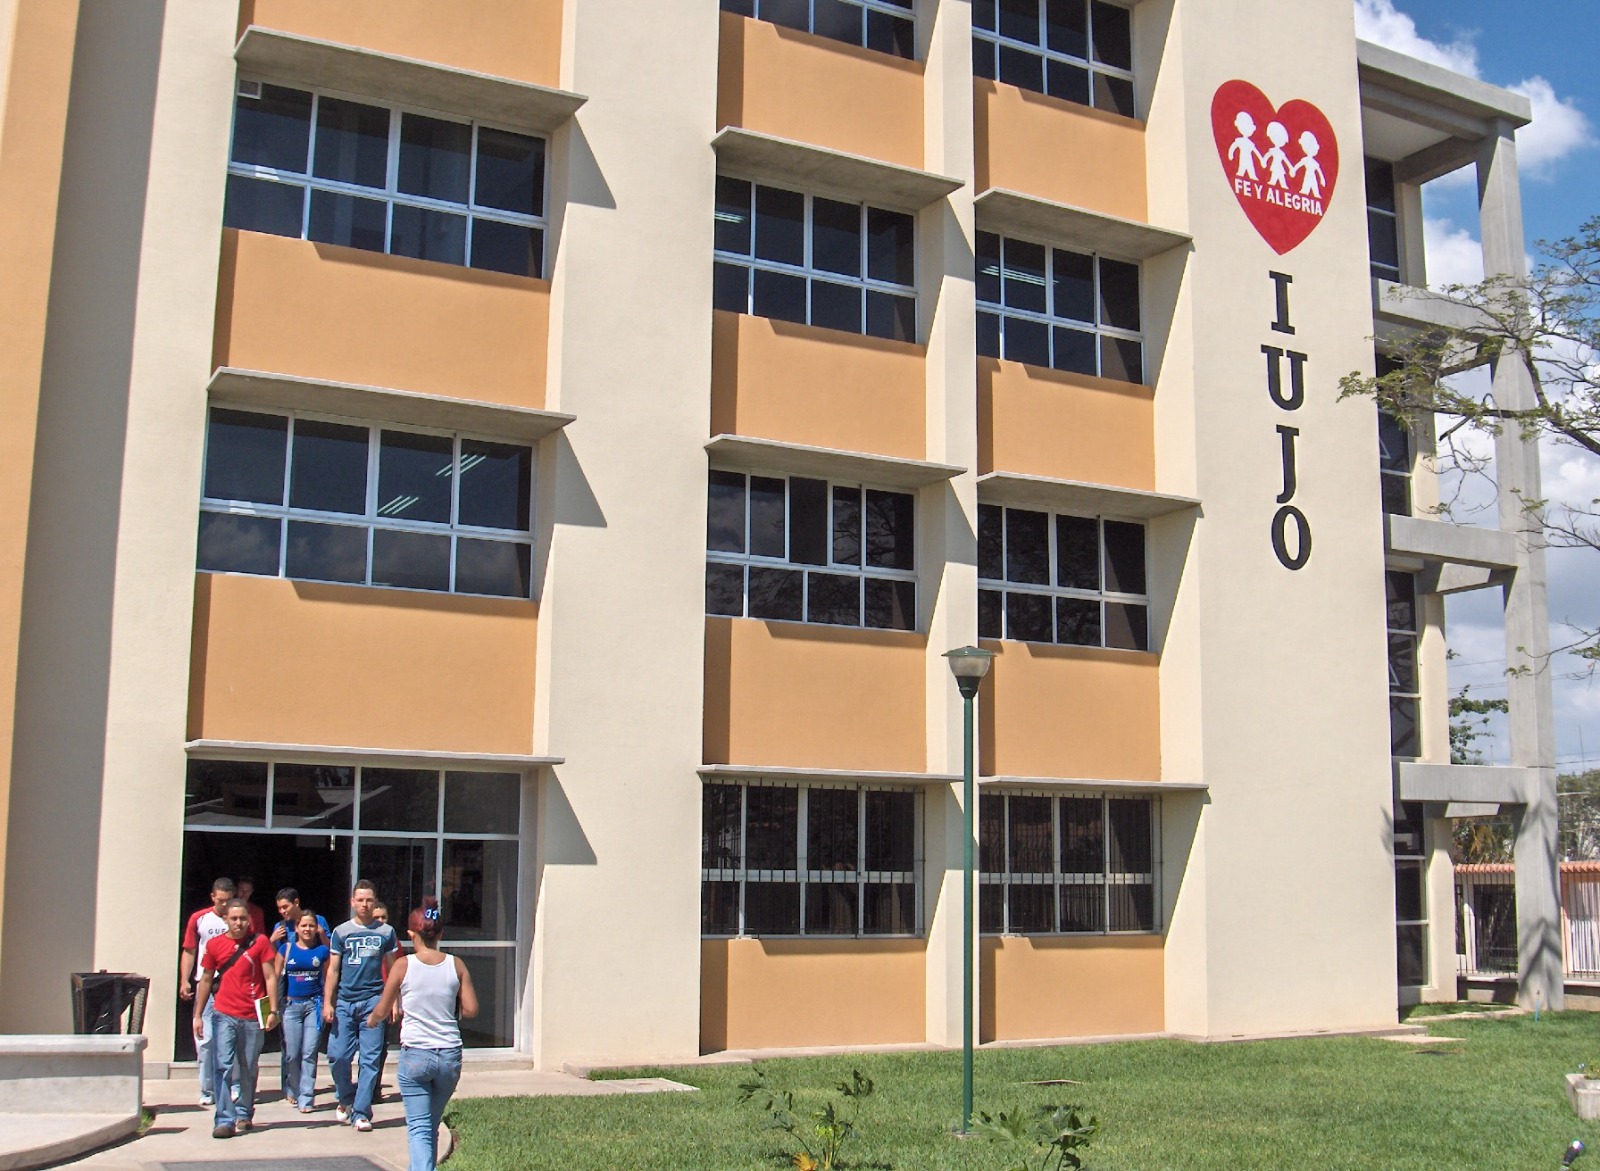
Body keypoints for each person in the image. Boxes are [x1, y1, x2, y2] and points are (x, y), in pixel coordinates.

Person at [369, 897, 478, 1171]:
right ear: (440, 934)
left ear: (410, 934)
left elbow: (382, 1010)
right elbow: (472, 1009)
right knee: (429, 1123)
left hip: (416, 1055)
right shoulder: (456, 965)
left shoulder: (404, 965)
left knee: (419, 1127)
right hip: (449, 1056)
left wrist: (372, 1020)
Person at [194, 898, 279, 1139]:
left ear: (249, 919)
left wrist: (273, 1011)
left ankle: (244, 1112)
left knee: (248, 1066)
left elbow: (270, 976)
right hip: (223, 1014)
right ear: (225, 920)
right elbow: (206, 980)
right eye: (234, 919)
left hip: (252, 1015)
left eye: (243, 918)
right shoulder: (214, 945)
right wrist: (198, 1015)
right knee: (222, 1066)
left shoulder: (260, 943)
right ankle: (224, 1119)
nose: (239, 923)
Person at [324, 879, 400, 1132]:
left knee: (370, 1060)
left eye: (369, 900)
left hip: (373, 1002)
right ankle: (346, 1098)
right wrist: (328, 1002)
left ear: (374, 902)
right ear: (352, 902)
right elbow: (333, 970)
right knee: (338, 1056)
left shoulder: (385, 932)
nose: (365, 904)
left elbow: (392, 969)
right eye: (360, 900)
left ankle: (361, 1112)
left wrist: (393, 1001)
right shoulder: (341, 932)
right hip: (345, 1002)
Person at [179, 877, 236, 1107]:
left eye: (227, 900)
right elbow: (190, 950)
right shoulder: (199, 919)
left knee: (232, 1039)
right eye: (220, 901)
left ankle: (233, 1085)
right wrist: (184, 980)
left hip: (231, 987)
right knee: (205, 1040)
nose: (223, 905)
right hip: (206, 986)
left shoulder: (239, 919)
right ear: (213, 897)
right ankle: (207, 1088)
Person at [272, 888, 330, 1104]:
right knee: (292, 1053)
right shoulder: (285, 949)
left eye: (311, 925)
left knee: (309, 1052)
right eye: (303, 925)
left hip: (313, 1006)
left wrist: (327, 1004)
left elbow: (330, 976)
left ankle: (306, 1096)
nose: (307, 929)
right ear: (296, 928)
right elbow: (274, 977)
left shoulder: (322, 952)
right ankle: (293, 1089)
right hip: (291, 1006)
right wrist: (274, 1007)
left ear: (317, 928)